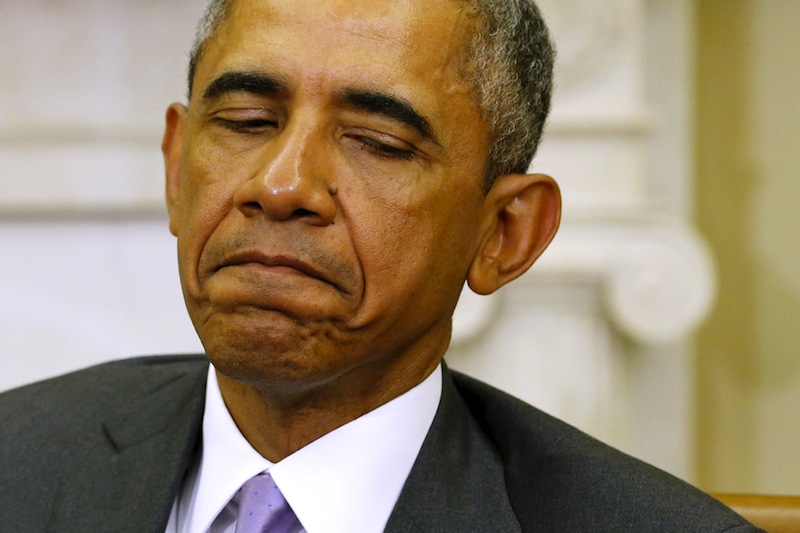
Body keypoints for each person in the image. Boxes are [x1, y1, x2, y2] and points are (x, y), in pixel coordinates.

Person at [0, 0, 761, 531]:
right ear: (175, 172)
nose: (281, 184)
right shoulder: (17, 463)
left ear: (505, 233)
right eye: (245, 122)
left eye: (379, 143)